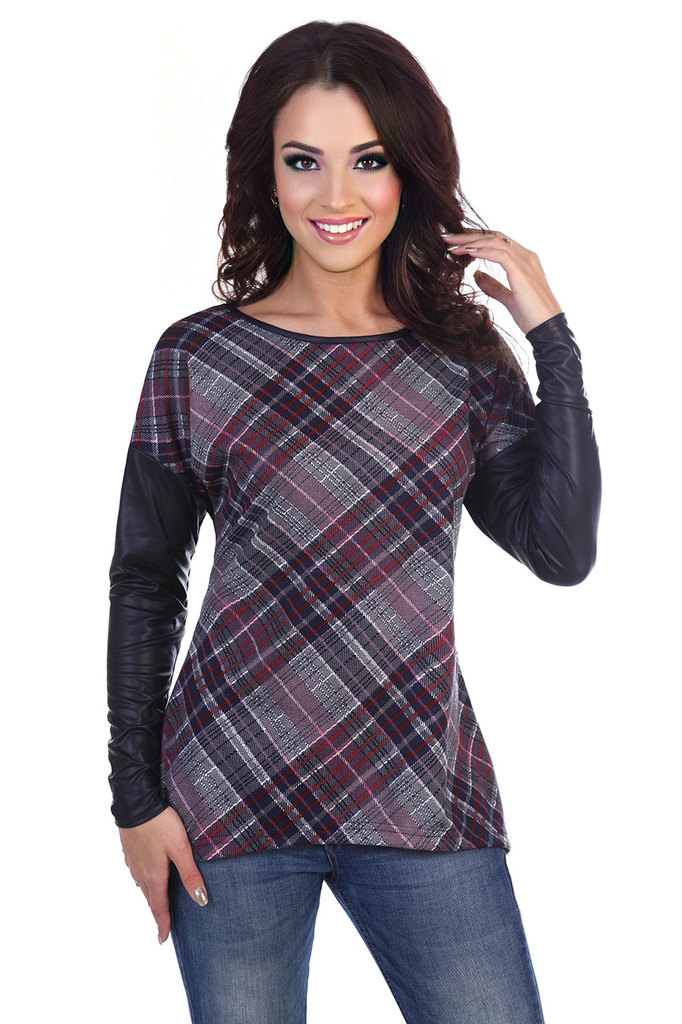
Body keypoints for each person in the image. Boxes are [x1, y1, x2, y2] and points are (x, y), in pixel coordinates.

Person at [107, 19, 601, 1024]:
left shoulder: (462, 360)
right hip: (227, 795)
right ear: (266, 174)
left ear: (409, 170)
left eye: (368, 160)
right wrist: (135, 800)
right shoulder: (196, 358)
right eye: (305, 161)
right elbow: (145, 581)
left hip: (421, 791)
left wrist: (550, 335)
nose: (336, 196)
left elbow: (560, 550)